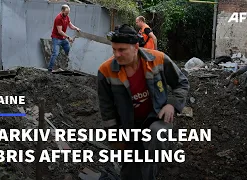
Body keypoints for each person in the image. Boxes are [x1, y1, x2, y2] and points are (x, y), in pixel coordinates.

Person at [98, 24, 189, 180]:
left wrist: (171, 104)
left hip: (157, 119)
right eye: (114, 50)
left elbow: (182, 83)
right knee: (129, 171)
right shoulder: (106, 71)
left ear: (136, 47)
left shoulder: (158, 59)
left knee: (154, 140)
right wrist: (115, 139)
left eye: (122, 50)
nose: (117, 54)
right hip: (129, 126)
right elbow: (107, 109)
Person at [47, 4, 81, 72]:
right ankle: (49, 69)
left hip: (63, 39)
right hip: (56, 38)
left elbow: (70, 25)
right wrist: (68, 37)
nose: (67, 14)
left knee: (69, 52)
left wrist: (76, 28)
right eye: (66, 12)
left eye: (68, 13)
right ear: (62, 11)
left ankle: (72, 68)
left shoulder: (66, 17)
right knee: (55, 53)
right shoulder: (58, 18)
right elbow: (60, 31)